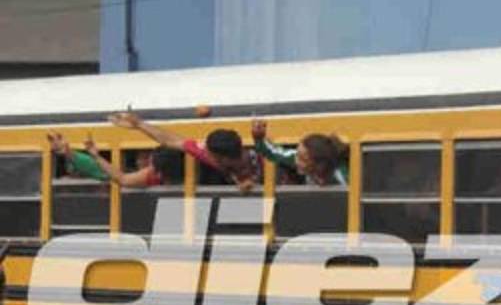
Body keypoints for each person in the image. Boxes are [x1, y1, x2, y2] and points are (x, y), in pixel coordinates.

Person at [108, 111, 257, 192]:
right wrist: (139, 124)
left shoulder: (257, 160)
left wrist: (252, 184)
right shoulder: (207, 154)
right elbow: (169, 140)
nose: (204, 152)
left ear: (223, 158)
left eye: (209, 153)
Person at [49, 132, 181, 188]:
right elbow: (106, 172)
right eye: (138, 157)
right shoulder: (149, 176)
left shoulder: (157, 175)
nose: (139, 162)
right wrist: (70, 154)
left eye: (145, 158)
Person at [250, 120, 348, 187]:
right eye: (297, 154)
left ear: (320, 165)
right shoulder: (296, 158)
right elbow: (272, 153)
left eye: (303, 159)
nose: (296, 161)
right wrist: (259, 138)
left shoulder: (341, 176)